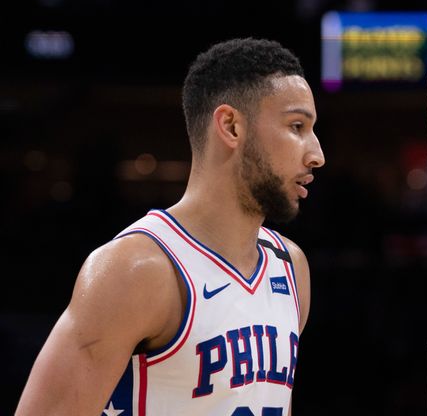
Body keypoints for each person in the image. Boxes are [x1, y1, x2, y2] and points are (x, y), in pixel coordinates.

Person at [16, 38, 325, 415]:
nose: (317, 154)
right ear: (230, 125)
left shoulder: (291, 267)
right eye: (297, 126)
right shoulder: (137, 270)